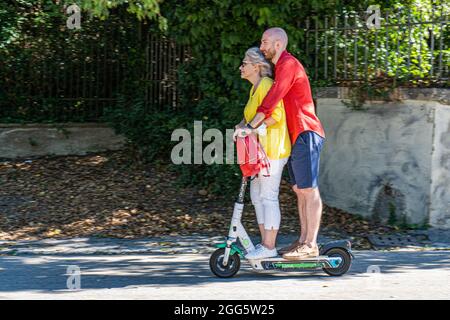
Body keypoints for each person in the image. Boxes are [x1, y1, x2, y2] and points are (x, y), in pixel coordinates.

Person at [236, 28, 325, 260]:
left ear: (277, 44)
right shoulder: (279, 68)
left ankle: (311, 243)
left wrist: (252, 126)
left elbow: (271, 101)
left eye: (265, 42)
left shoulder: (288, 63)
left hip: (307, 130)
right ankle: (303, 241)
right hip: (295, 136)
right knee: (299, 190)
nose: (261, 45)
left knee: (308, 189)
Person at [234, 47, 291, 260]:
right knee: (256, 196)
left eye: (244, 63)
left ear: (256, 66)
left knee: (268, 196)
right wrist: (240, 127)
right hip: (261, 152)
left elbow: (275, 116)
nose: (241, 67)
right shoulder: (254, 88)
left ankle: (269, 246)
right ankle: (265, 244)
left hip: (274, 149)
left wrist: (249, 129)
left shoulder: (266, 85)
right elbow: (250, 118)